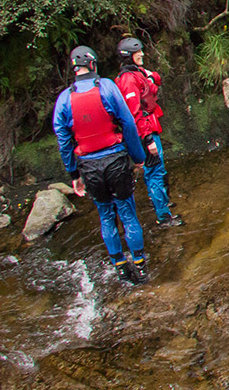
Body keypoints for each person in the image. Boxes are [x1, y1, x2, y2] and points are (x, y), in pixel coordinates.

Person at [53, 46, 149, 285]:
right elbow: (127, 123)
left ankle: (120, 268)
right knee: (127, 212)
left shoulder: (64, 99)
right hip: (115, 160)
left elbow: (64, 141)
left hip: (89, 166)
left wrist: (74, 174)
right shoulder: (106, 86)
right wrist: (138, 156)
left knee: (106, 216)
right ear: (92, 64)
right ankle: (140, 266)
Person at [115, 37, 183, 228]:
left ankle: (163, 204)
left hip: (150, 126)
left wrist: (149, 76)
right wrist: (147, 139)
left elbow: (156, 80)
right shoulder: (128, 80)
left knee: (157, 170)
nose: (142, 54)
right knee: (154, 172)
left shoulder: (137, 73)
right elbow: (134, 114)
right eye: (138, 52)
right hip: (144, 131)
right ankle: (163, 216)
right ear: (129, 56)